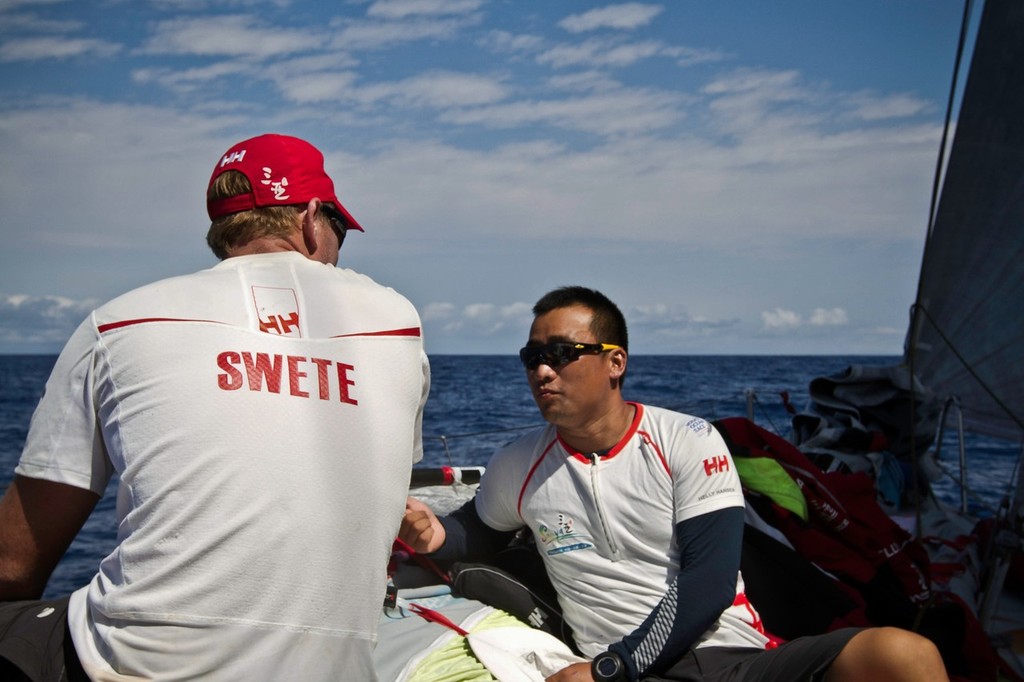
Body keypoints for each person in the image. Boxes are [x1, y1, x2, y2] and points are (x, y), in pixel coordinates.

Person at [0, 133, 430, 681]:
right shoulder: (398, 322)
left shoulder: (120, 322)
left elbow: (15, 563)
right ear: (311, 218)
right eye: (338, 229)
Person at [400, 285, 949, 682]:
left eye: (562, 354)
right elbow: (479, 529)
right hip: (623, 669)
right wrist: (436, 535)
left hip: (728, 656)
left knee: (905, 655)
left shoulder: (686, 439)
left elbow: (707, 585)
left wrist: (611, 670)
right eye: (533, 357)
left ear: (614, 363)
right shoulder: (518, 463)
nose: (543, 371)